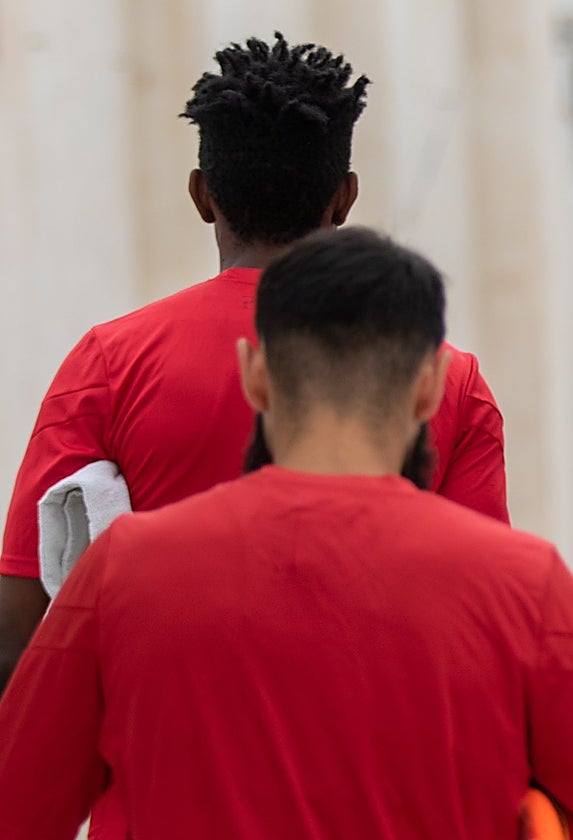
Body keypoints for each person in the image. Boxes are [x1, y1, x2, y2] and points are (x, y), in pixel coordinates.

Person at [0, 227, 573, 840]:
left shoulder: (124, 571)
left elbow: (19, 809)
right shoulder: (524, 586)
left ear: (256, 378)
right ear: (427, 389)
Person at [0, 33, 508, 694]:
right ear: (344, 199)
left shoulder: (108, 364)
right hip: (375, 784)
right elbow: (478, 625)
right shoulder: (443, 379)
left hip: (164, 781)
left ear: (202, 195)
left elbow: (19, 631)